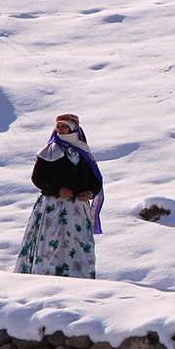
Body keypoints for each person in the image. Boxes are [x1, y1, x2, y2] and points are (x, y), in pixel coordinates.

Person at [14, 114, 104, 278]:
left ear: (74, 128)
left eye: (64, 126)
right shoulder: (50, 151)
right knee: (52, 238)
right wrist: (57, 190)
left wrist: (90, 192)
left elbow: (96, 179)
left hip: (77, 208)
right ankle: (49, 272)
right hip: (54, 206)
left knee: (77, 241)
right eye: (58, 126)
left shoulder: (83, 152)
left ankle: (78, 275)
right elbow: (38, 177)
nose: (61, 129)